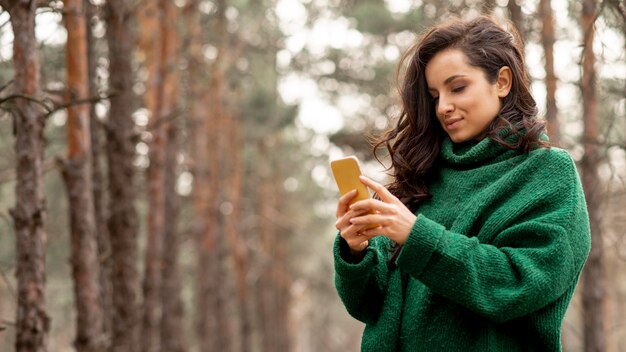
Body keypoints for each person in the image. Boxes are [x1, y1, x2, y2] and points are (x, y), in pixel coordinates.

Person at [333, 14, 591, 351]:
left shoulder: (546, 173)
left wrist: (417, 237)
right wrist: (357, 252)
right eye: (434, 94)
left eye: (457, 87)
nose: (443, 107)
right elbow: (369, 307)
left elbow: (518, 284)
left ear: (502, 81)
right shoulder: (421, 176)